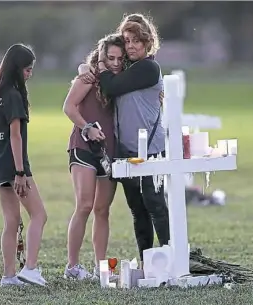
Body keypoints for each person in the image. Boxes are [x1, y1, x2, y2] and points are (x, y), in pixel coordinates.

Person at [78, 13, 170, 269]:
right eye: (127, 40)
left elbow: (111, 87)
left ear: (148, 42)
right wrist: (86, 67)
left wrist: (102, 68)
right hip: (126, 150)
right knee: (137, 209)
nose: (130, 46)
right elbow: (99, 76)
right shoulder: (126, 67)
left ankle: (169, 254)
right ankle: (147, 261)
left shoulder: (148, 68)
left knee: (155, 204)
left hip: (151, 149)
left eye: (136, 41)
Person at [0, 43, 48, 287]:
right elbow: (15, 135)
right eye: (27, 70)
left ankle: (8, 276)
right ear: (17, 69)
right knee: (39, 215)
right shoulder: (14, 95)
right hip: (14, 165)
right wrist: (20, 172)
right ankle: (30, 268)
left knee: (11, 221)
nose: (30, 74)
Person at [62, 34, 126, 280]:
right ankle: (73, 266)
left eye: (120, 58)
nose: (115, 62)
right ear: (101, 57)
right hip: (84, 147)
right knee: (85, 206)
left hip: (109, 151)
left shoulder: (121, 80)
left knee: (102, 209)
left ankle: (102, 267)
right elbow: (69, 106)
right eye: (110, 58)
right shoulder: (89, 77)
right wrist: (87, 127)